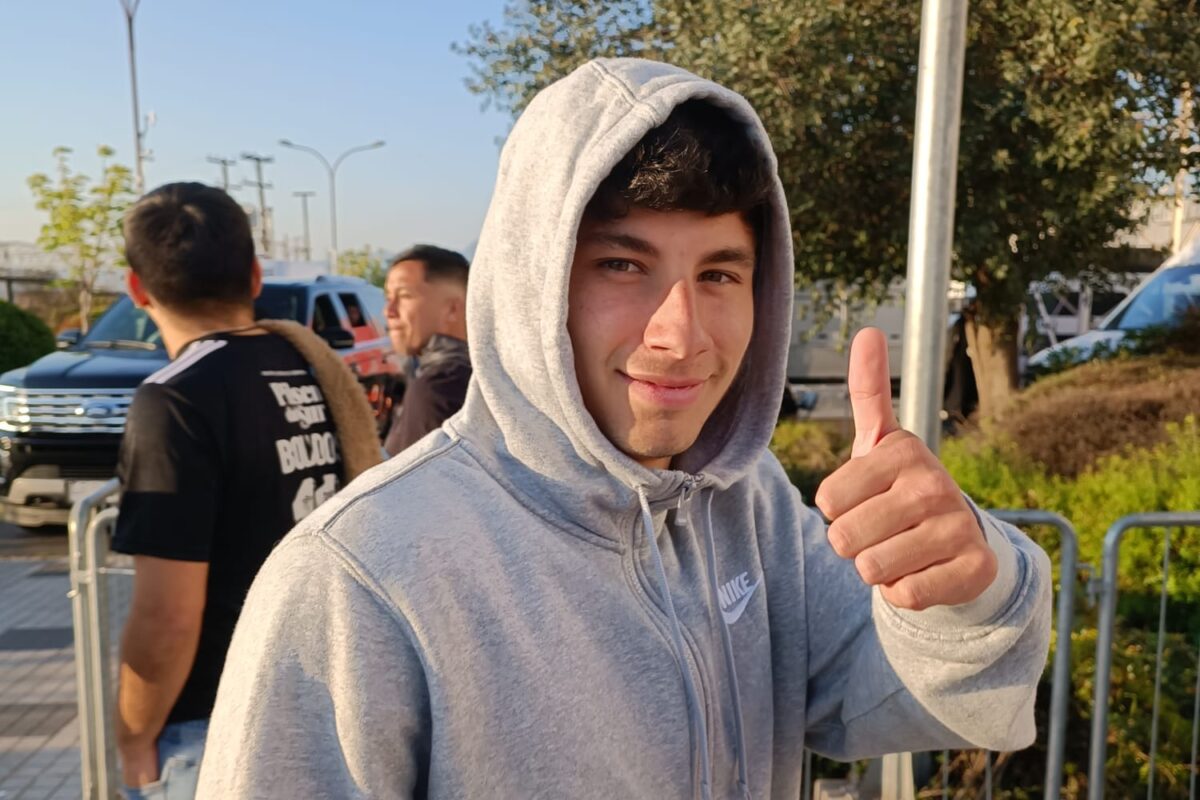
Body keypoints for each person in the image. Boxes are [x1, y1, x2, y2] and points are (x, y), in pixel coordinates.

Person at [197, 60, 1052, 799]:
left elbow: (879, 688)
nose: (681, 332)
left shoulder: (744, 507)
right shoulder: (360, 575)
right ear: (533, 280)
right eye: (622, 265)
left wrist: (964, 587)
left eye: (720, 273)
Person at [110, 182, 381, 800]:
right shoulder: (313, 368)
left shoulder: (174, 398)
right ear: (255, 275)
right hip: (329, 697)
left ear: (136, 288)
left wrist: (132, 735)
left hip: (221, 727)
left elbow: (168, 615)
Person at [381, 244, 472, 455]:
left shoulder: (437, 389)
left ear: (451, 309)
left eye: (404, 296)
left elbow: (408, 485)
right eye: (388, 298)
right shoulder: (489, 375)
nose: (389, 311)